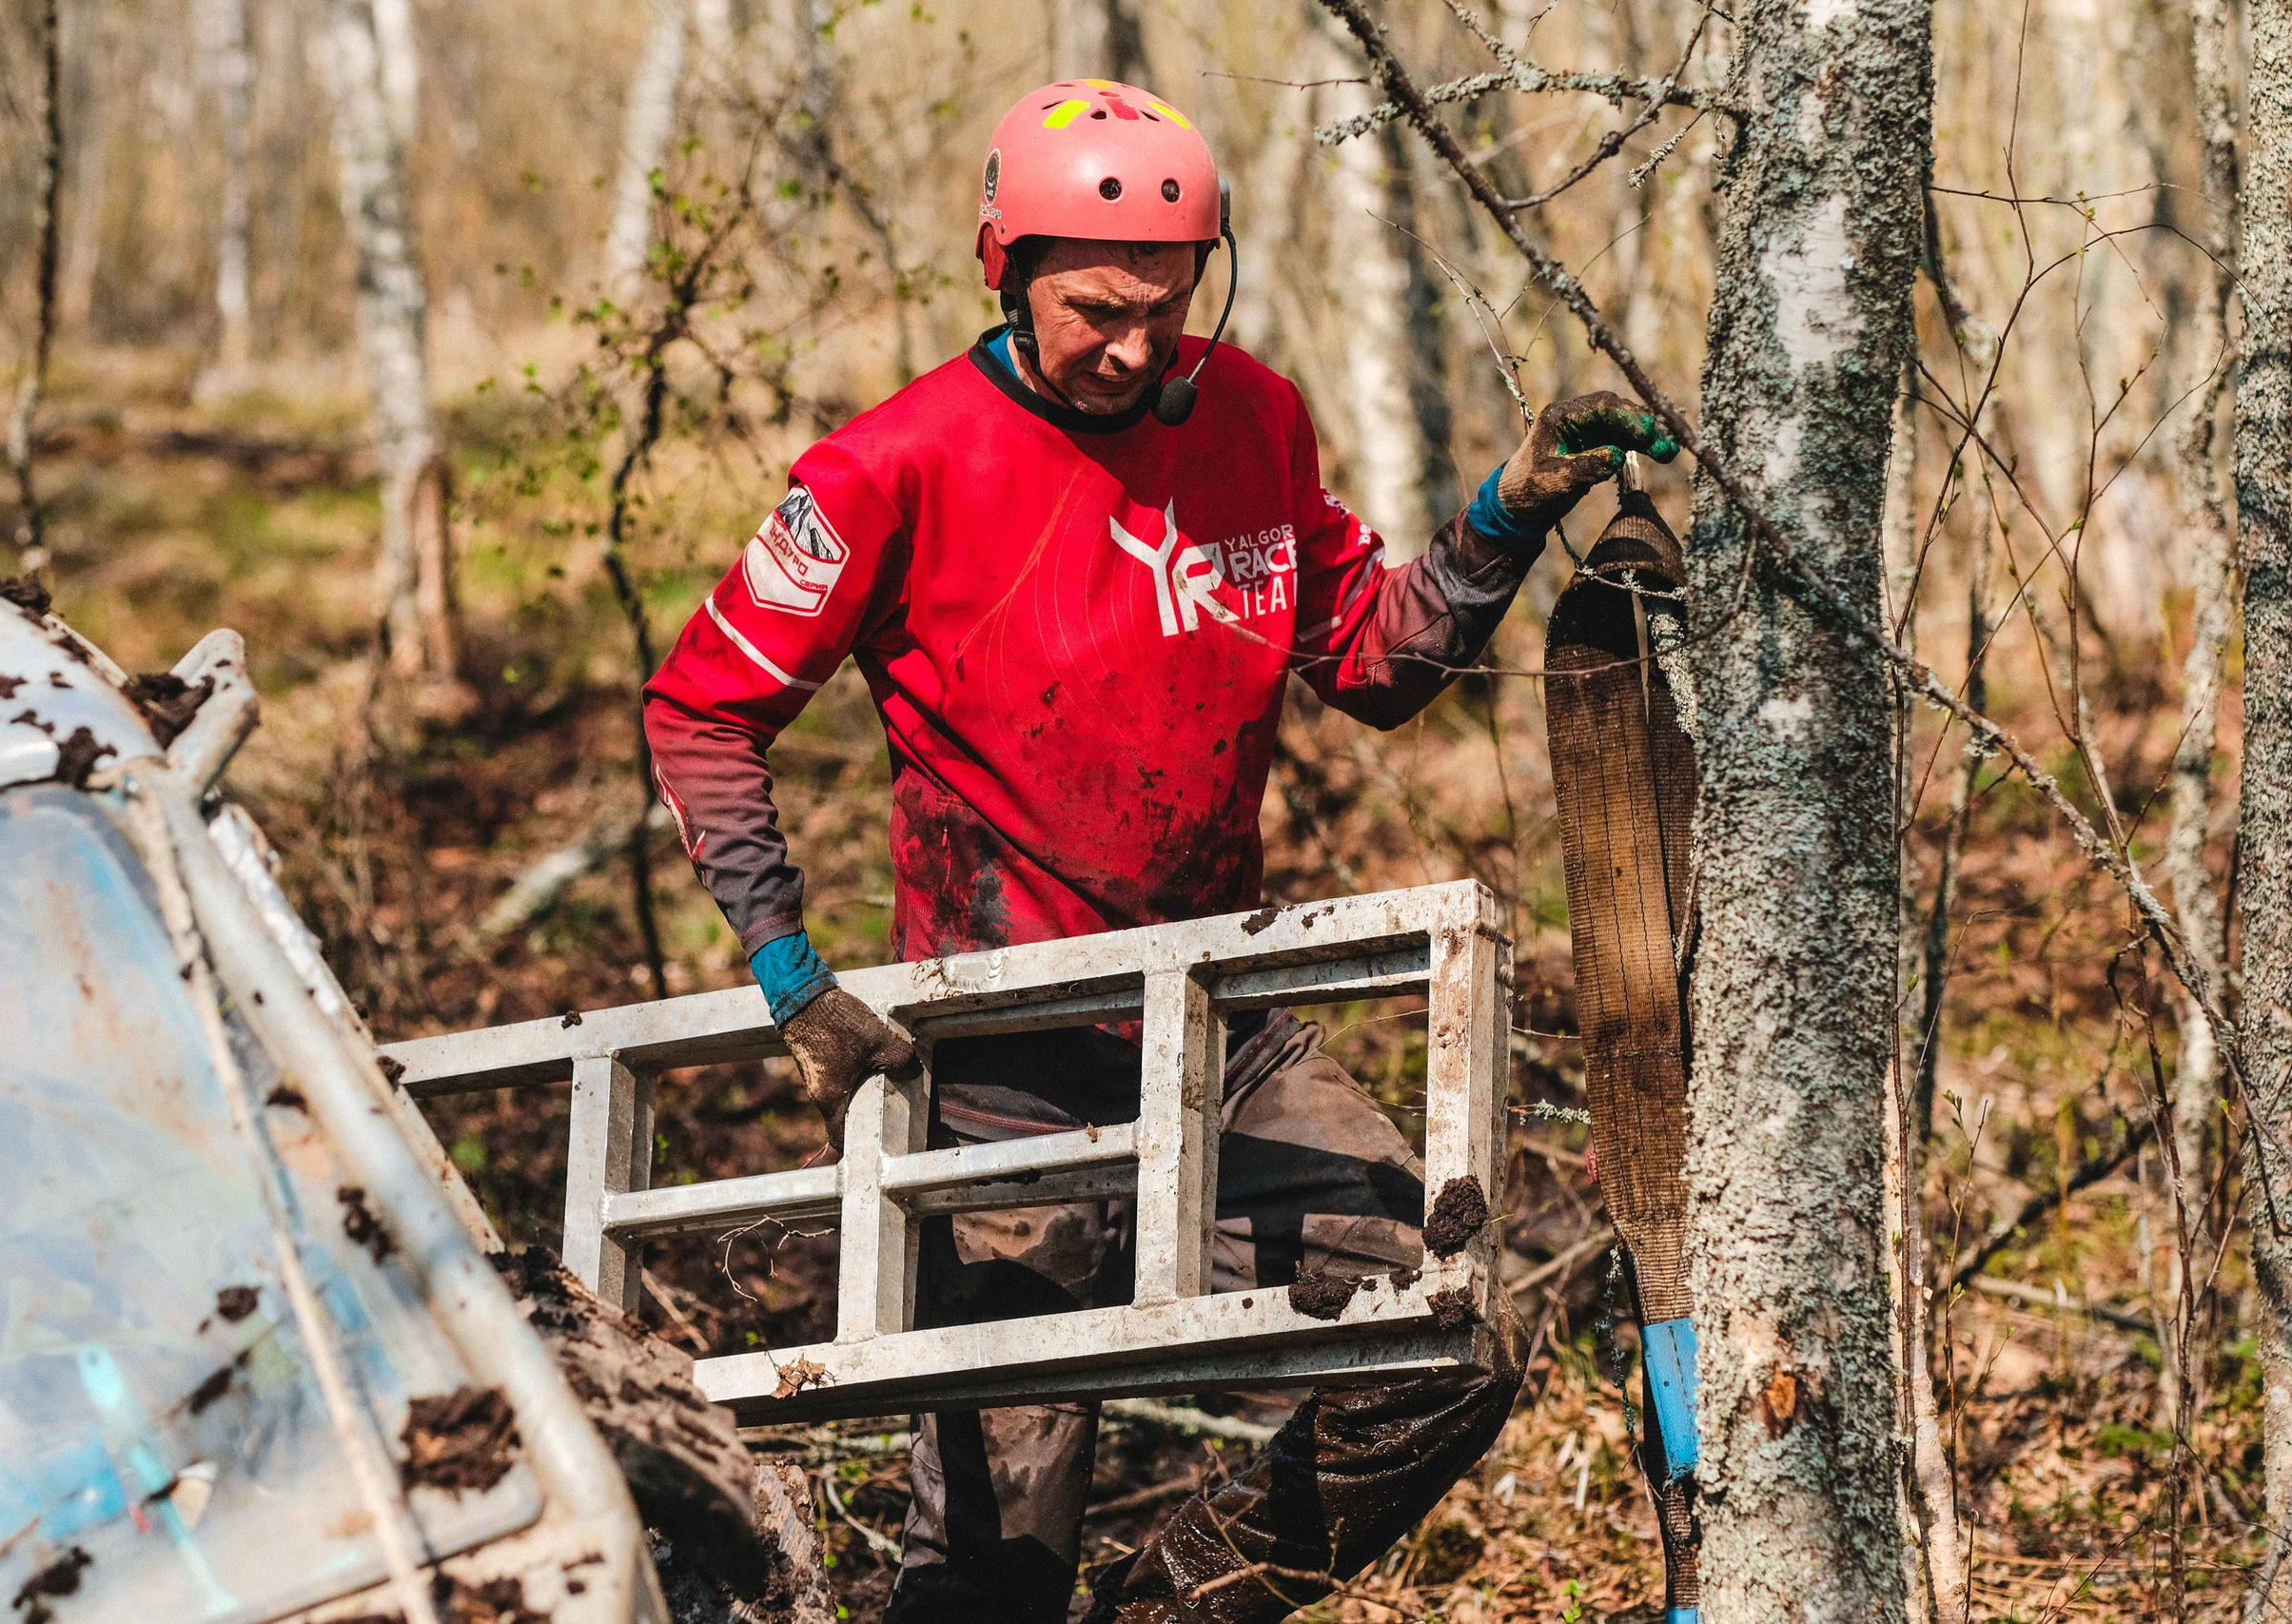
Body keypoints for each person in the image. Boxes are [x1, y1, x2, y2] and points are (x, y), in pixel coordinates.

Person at [643, 76, 1675, 1624]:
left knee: (1443, 1339)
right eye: (1096, 310)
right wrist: (791, 976)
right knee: (994, 1552)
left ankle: (1170, 1607)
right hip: (1002, 1070)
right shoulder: (887, 470)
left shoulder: (1249, 417)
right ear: (1007, 265)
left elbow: (1376, 664)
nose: (1134, 346)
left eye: (1166, 305)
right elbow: (700, 709)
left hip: (1227, 1036)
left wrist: (1508, 511)